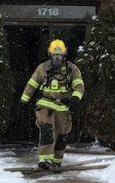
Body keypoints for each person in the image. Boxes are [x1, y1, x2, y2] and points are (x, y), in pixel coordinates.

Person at [20, 39, 84, 172]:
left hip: (63, 105)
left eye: (59, 57)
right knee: (46, 128)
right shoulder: (42, 68)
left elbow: (79, 86)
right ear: (50, 55)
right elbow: (32, 84)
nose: (57, 59)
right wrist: (23, 100)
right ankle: (45, 159)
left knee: (62, 134)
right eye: (55, 56)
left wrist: (75, 99)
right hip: (46, 103)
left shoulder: (72, 69)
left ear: (64, 55)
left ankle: (56, 162)